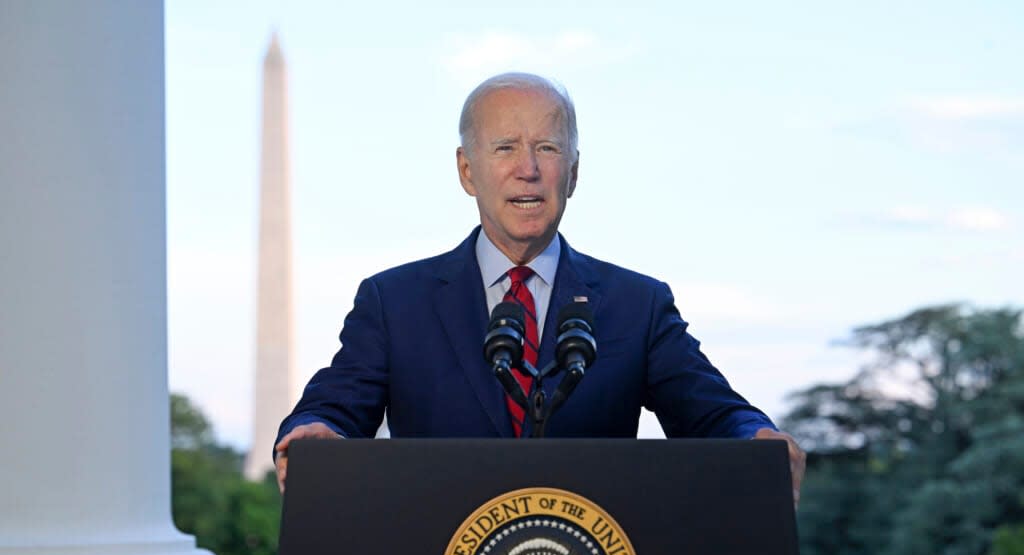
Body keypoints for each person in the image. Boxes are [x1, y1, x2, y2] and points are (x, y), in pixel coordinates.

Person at [273, 72, 805, 502]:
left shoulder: (636, 305)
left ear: (573, 172)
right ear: (466, 170)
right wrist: (316, 433)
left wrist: (755, 438)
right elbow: (336, 407)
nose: (527, 170)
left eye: (547, 148)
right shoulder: (394, 302)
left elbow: (711, 412)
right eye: (505, 147)